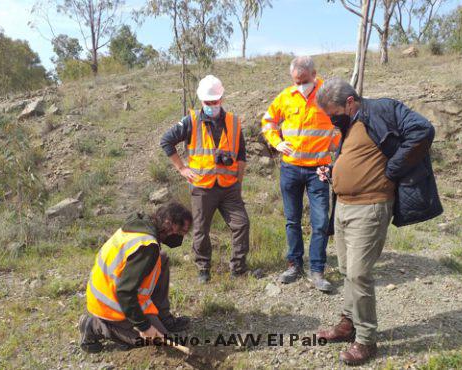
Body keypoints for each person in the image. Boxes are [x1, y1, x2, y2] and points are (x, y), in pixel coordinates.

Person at [314, 77, 443, 366]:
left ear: (349, 102)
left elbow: (423, 130)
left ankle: (366, 340)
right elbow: (360, 158)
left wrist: (393, 168)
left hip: (369, 207)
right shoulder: (348, 124)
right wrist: (334, 170)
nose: (331, 118)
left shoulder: (382, 109)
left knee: (359, 273)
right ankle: (348, 323)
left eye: (332, 112)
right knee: (347, 270)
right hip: (344, 207)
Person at [261, 56, 341, 292]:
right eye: (296, 81)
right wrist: (276, 142)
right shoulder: (286, 96)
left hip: (319, 169)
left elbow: (343, 123)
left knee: (320, 222)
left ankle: (317, 270)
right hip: (291, 168)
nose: (300, 84)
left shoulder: (328, 94)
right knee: (292, 220)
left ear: (314, 74)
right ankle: (294, 264)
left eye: (304, 80)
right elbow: (268, 122)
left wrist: (334, 143)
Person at [160, 75, 250, 283]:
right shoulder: (191, 121)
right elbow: (166, 141)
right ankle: (203, 268)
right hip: (203, 187)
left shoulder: (234, 122)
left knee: (241, 224)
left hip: (229, 188)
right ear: (201, 100)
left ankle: (238, 267)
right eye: (207, 102)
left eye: (214, 101)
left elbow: (242, 155)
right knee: (201, 230)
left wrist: (239, 181)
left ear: (221, 99)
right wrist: (182, 168)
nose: (211, 105)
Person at [79, 202, 193, 353]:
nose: (180, 237)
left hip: (116, 290)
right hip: (110, 304)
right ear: (168, 223)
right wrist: (144, 326)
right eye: (180, 232)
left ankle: (163, 316)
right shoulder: (147, 247)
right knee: (157, 341)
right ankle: (95, 325)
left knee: (162, 259)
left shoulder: (140, 224)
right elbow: (125, 292)